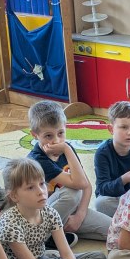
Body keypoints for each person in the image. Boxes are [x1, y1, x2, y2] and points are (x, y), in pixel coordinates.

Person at [0, 158, 117, 259]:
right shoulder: (10, 223)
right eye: (30, 188)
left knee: (98, 258)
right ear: (14, 196)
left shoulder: (49, 212)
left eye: (41, 184)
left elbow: (66, 253)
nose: (41, 191)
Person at [26, 100, 111, 242]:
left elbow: (87, 186)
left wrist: (80, 216)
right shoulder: (37, 160)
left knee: (115, 231)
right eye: (48, 136)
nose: (56, 141)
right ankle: (43, 238)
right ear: (35, 134)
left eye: (60, 133)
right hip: (40, 218)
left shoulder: (67, 149)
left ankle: (59, 235)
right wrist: (66, 149)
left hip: (69, 212)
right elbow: (79, 184)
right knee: (72, 191)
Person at [93, 101, 130, 217]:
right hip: (113, 198)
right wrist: (124, 179)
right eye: (124, 127)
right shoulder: (102, 154)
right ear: (111, 129)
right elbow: (102, 189)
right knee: (100, 203)